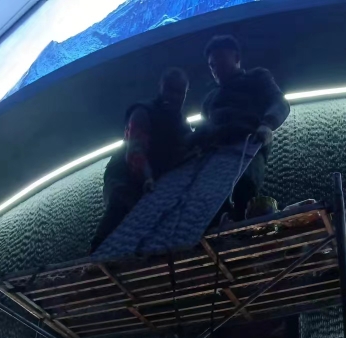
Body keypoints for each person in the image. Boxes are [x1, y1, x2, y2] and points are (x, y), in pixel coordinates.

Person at [92, 67, 192, 251]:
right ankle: (96, 254)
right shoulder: (143, 112)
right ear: (161, 87)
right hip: (124, 176)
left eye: (179, 92)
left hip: (154, 183)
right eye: (170, 90)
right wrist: (146, 177)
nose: (174, 97)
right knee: (121, 203)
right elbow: (136, 150)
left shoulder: (181, 125)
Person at [194, 35, 290, 221]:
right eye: (212, 65)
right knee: (209, 207)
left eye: (221, 60)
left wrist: (267, 124)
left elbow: (279, 102)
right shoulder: (210, 98)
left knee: (243, 195)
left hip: (247, 147)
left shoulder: (257, 78)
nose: (216, 68)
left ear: (236, 58)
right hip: (214, 157)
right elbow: (203, 130)